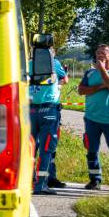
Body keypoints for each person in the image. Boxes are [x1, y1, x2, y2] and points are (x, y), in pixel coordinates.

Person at [78, 44, 109, 190]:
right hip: (91, 118)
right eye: (97, 53)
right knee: (91, 151)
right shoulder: (90, 73)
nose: (99, 55)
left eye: (103, 53)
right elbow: (81, 90)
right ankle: (95, 180)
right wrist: (100, 86)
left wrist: (103, 71)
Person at [29, 48, 68, 194]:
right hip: (49, 109)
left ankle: (27, 181)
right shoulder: (54, 63)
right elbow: (65, 79)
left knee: (30, 148)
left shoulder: (28, 63)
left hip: (31, 110)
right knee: (46, 149)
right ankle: (40, 185)